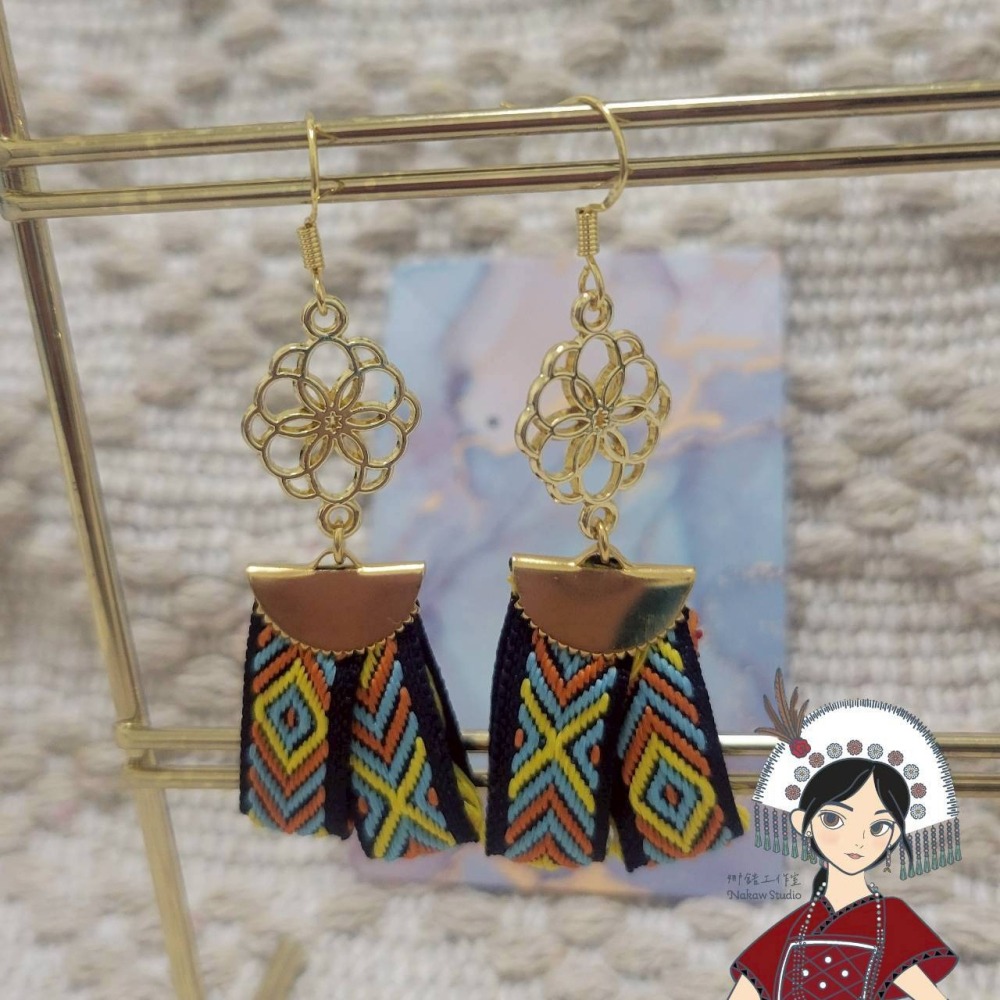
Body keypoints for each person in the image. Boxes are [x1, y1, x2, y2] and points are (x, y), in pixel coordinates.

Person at [727, 671, 959, 1000]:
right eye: (834, 819)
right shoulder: (797, 926)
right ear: (803, 823)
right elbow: (746, 991)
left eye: (877, 827)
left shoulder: (891, 922)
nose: (857, 840)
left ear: (894, 835)